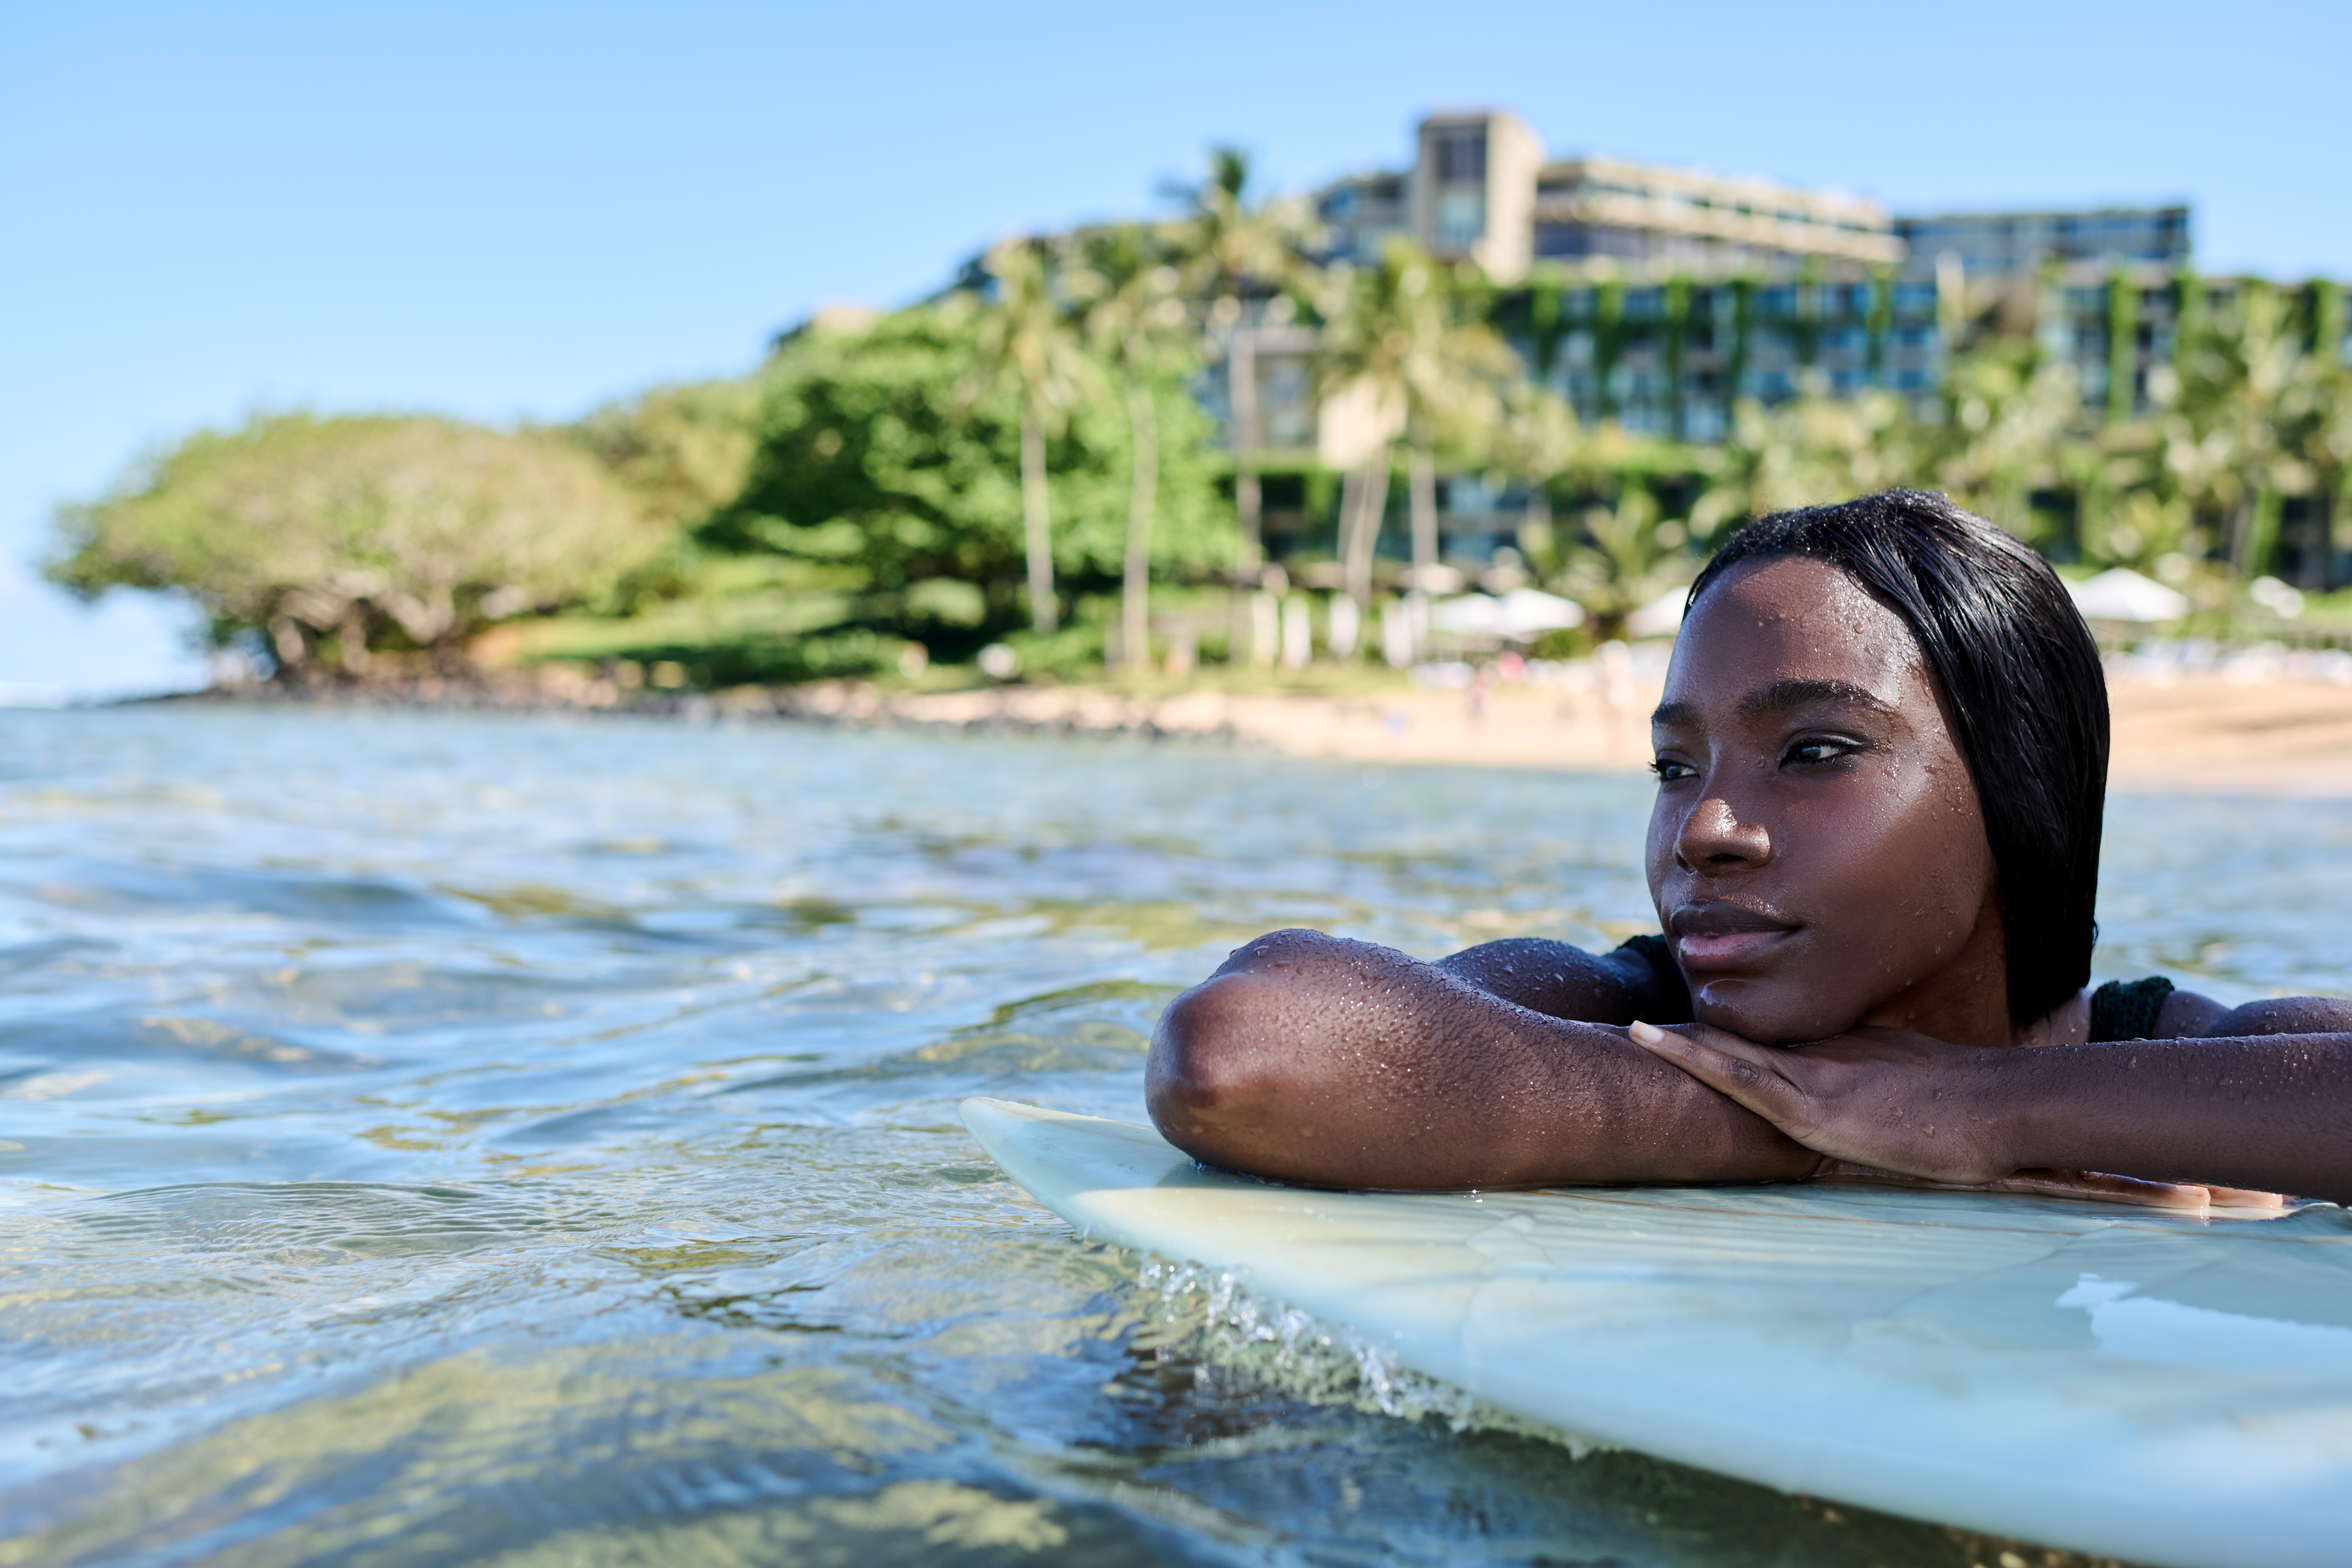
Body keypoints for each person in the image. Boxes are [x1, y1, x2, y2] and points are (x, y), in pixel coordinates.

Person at [1146, 491, 2352, 1204]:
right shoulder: (1629, 1006)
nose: (1704, 829)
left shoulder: (2174, 1055)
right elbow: (1238, 1052)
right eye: (1675, 767)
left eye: (1815, 751)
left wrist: (1993, 1106)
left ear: (2017, 786)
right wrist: (1821, 1127)